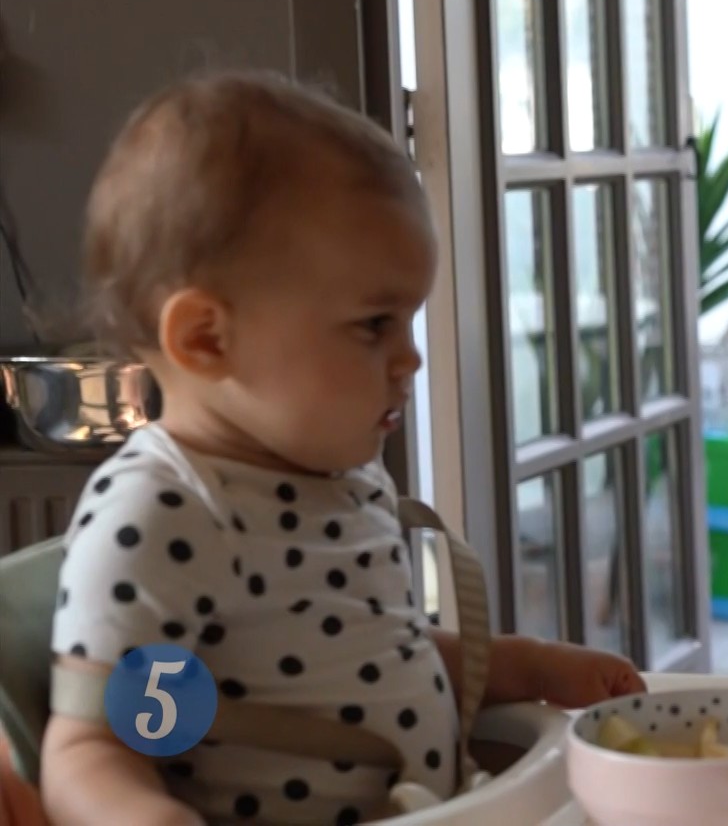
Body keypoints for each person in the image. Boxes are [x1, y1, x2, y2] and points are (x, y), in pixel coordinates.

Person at [40, 72, 644, 826]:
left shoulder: (342, 479)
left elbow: (373, 660)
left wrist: (527, 666)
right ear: (206, 338)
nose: (410, 358)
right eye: (374, 325)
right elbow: (89, 747)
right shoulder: (167, 512)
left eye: (408, 321)